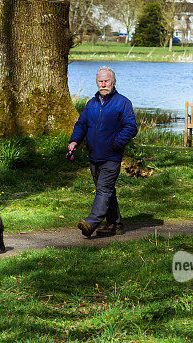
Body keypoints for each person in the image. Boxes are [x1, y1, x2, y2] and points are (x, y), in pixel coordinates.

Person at [68, 67, 138, 237]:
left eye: (107, 81)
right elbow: (81, 124)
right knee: (107, 191)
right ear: (97, 82)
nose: (104, 84)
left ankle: (91, 222)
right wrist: (74, 141)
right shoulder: (91, 104)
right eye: (101, 81)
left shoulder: (123, 103)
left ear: (114, 82)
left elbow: (131, 127)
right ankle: (115, 224)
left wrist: (116, 143)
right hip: (94, 157)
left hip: (112, 157)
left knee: (104, 189)